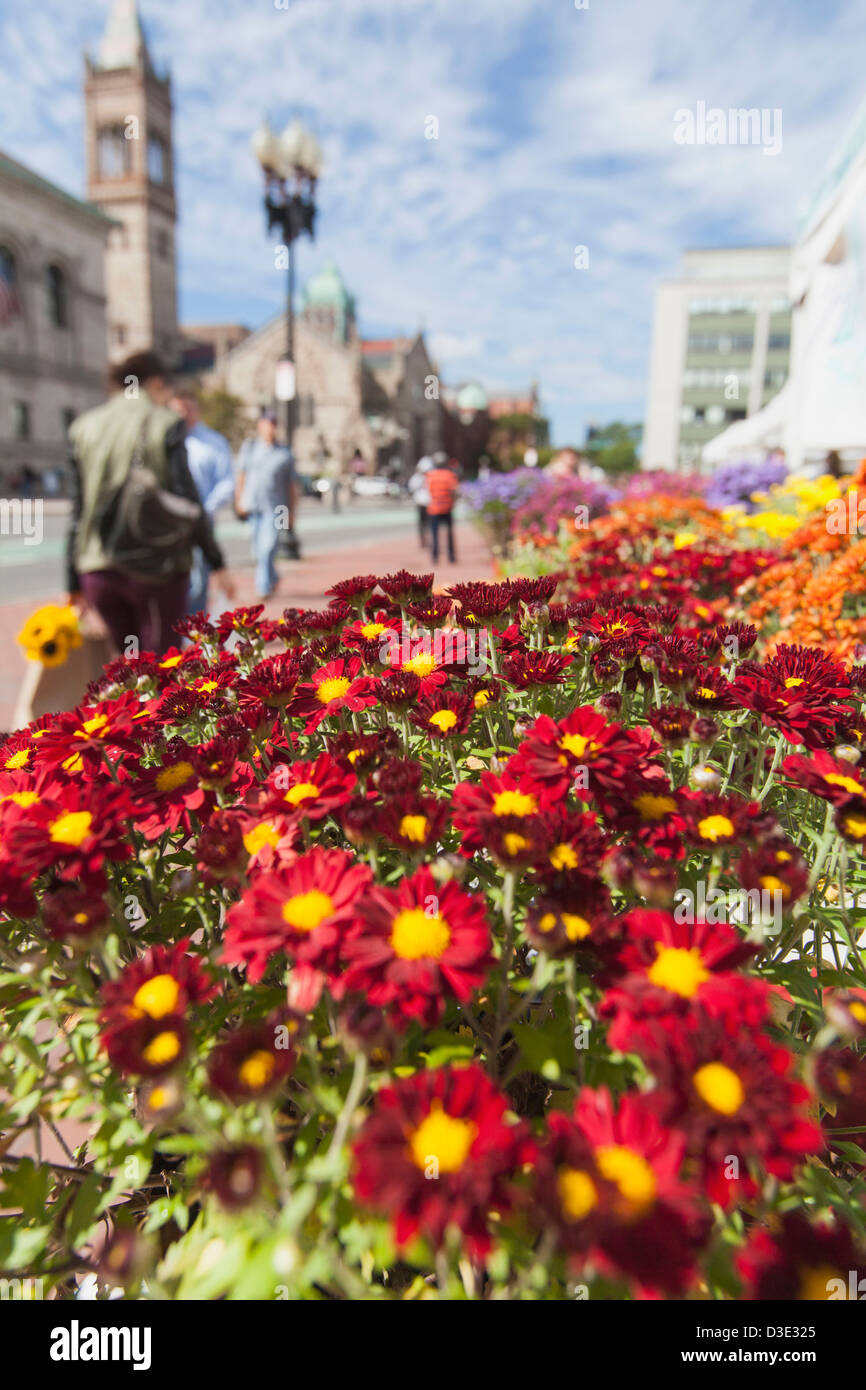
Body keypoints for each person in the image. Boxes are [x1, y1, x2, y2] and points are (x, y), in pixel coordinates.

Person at [66, 350, 234, 657]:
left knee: (128, 669)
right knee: (160, 667)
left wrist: (72, 582)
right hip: (157, 567)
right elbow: (189, 500)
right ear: (156, 383)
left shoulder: (84, 427)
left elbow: (77, 512)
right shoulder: (165, 423)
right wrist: (216, 562)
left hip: (98, 567)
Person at [169, 386, 235, 615]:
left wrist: (205, 510)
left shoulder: (213, 442)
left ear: (196, 409)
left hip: (200, 521)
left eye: (188, 409)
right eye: (178, 410)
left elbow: (227, 481)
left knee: (198, 581)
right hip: (169, 523)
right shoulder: (165, 441)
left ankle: (193, 632)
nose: (183, 414)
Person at [235, 409, 297, 600]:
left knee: (268, 546)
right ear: (259, 426)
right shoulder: (250, 448)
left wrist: (291, 513)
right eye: (266, 423)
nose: (269, 427)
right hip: (253, 505)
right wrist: (239, 500)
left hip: (277, 509)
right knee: (258, 549)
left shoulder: (285, 454)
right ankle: (273, 576)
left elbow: (292, 487)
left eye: (272, 424)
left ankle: (262, 588)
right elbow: (241, 476)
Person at [426, 454, 460, 564]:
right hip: (447, 507)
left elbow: (427, 490)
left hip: (434, 508)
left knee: (434, 534)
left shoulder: (430, 475)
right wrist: (453, 501)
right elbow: (454, 490)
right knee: (449, 533)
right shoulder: (450, 475)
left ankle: (435, 556)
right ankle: (451, 556)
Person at [407, 454, 433, 547]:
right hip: (421, 503)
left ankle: (428, 540)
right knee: (423, 524)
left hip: (429, 503)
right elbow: (412, 487)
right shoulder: (417, 477)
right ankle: (423, 541)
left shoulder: (431, 477)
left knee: (428, 524)